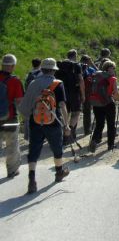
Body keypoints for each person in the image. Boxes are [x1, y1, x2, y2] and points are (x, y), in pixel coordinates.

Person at [18, 57, 71, 194]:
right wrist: (66, 125)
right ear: (54, 70)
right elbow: (62, 105)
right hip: (53, 121)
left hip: (35, 122)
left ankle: (31, 179)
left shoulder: (33, 83)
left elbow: (24, 107)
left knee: (34, 150)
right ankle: (59, 173)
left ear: (42, 69)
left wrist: (27, 120)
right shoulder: (58, 84)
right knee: (56, 147)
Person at [88, 60, 119, 152]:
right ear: (111, 69)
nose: (114, 70)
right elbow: (115, 93)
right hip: (108, 103)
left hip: (97, 103)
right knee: (111, 124)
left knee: (99, 124)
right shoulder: (112, 79)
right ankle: (110, 145)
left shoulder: (96, 76)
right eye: (113, 68)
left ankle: (94, 140)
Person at [1, 54, 25, 179]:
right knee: (12, 145)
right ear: (13, 66)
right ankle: (12, 170)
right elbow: (20, 101)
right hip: (10, 117)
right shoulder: (15, 81)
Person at [56, 49, 85, 142]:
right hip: (74, 92)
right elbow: (81, 80)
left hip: (62, 92)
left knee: (66, 113)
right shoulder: (76, 65)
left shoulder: (59, 65)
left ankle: (64, 132)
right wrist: (83, 94)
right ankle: (70, 131)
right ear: (75, 55)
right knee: (76, 112)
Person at [80, 54, 97, 136]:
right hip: (85, 92)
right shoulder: (80, 69)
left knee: (93, 109)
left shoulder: (91, 69)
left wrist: (93, 65)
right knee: (86, 111)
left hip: (92, 91)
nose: (90, 62)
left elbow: (98, 73)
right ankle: (87, 129)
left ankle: (91, 127)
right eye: (89, 61)